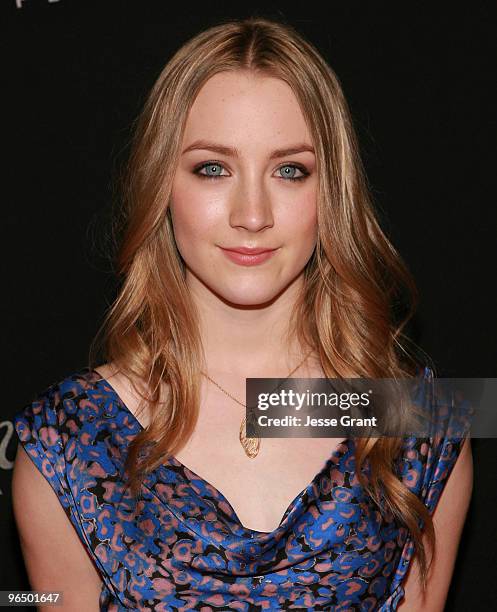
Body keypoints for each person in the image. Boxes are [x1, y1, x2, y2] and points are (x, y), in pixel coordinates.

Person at [11, 16, 472, 611]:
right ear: (161, 183)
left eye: (289, 170)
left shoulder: (417, 422)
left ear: (331, 191)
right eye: (212, 168)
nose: (252, 214)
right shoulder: (70, 440)